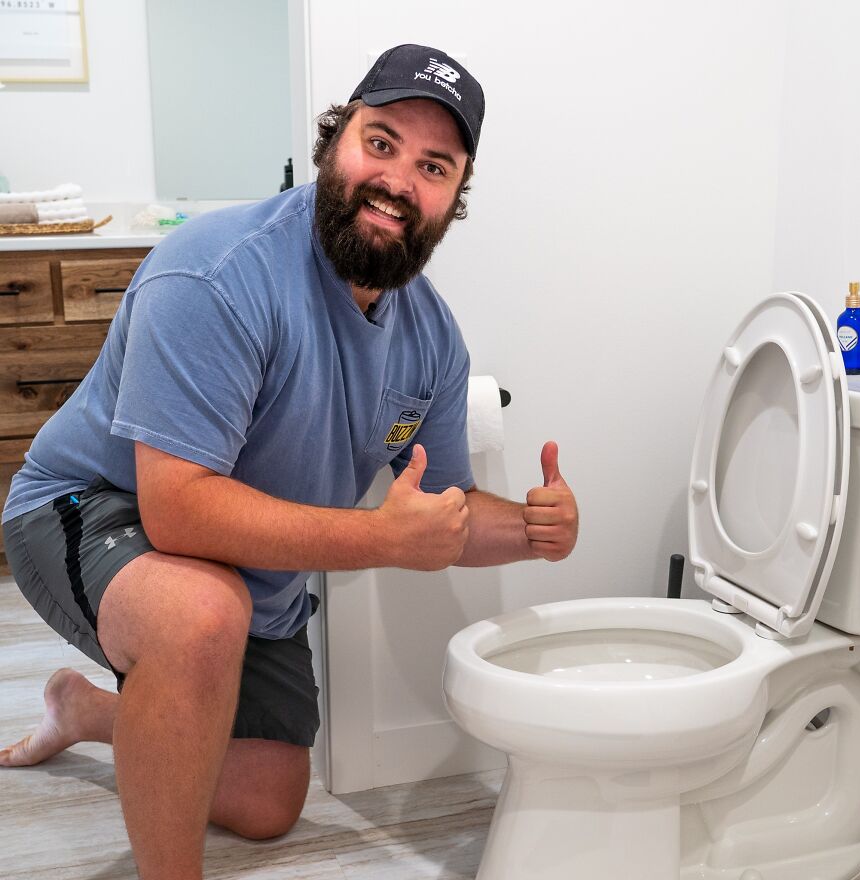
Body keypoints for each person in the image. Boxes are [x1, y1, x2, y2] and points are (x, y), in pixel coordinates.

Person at [0, 44, 578, 879]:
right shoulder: (217, 274)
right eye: (380, 143)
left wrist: (532, 528)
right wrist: (381, 539)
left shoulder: (432, 338)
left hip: (246, 567)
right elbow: (179, 511)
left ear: (454, 200)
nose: (398, 180)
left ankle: (87, 711)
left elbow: (447, 511)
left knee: (271, 803)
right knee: (202, 614)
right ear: (335, 138)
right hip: (89, 507)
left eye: (433, 166)